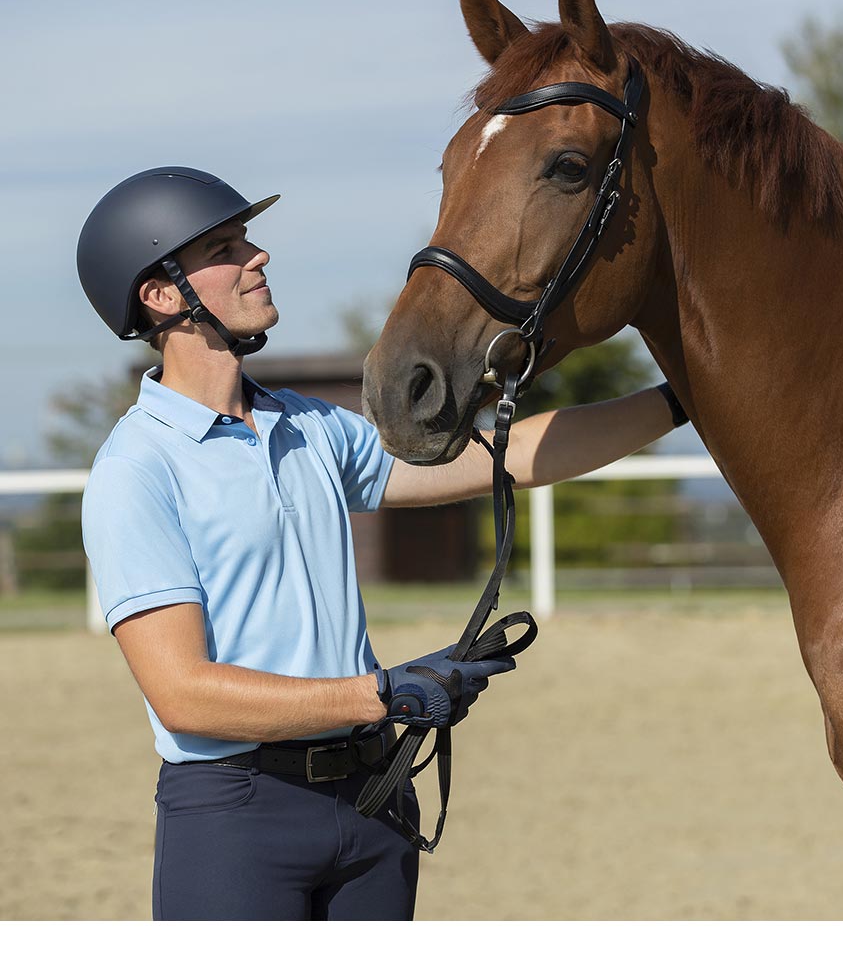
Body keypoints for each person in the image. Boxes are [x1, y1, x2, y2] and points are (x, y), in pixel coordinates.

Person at [77, 166, 688, 922]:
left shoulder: (310, 427)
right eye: (227, 247)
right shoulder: (136, 469)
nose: (258, 255)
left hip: (372, 799)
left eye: (247, 238)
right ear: (162, 296)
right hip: (237, 814)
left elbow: (512, 455)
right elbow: (183, 691)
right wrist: (381, 691)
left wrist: (684, 397)